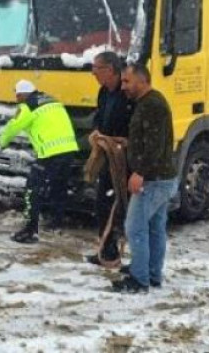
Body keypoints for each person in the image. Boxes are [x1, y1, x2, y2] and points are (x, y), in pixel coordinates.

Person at [111, 63, 178, 293]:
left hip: (153, 179)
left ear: (142, 80)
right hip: (162, 177)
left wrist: (140, 173)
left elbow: (155, 145)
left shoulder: (152, 106)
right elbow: (148, 140)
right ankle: (151, 274)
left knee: (135, 227)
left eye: (127, 81)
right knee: (154, 228)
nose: (123, 87)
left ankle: (139, 281)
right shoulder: (148, 103)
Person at [0, 80, 79, 243]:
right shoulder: (52, 100)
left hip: (50, 152)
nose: (16, 99)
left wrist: (3, 142)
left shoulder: (27, 105)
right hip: (69, 148)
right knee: (59, 186)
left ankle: (30, 230)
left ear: (21, 95)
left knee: (32, 188)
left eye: (17, 95)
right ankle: (56, 222)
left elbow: (13, 126)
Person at [85, 51, 134, 267]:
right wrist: (97, 132)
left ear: (111, 70)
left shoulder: (127, 95)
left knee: (118, 205)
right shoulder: (104, 92)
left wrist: (122, 142)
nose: (93, 73)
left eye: (97, 68)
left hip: (124, 157)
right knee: (102, 203)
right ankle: (106, 250)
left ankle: (115, 250)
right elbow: (99, 116)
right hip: (107, 153)